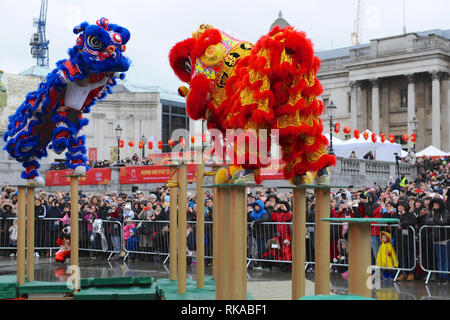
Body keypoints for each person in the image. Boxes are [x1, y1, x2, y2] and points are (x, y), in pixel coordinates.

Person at [425, 197, 450, 284]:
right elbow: (427, 222)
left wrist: (434, 219)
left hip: (445, 238)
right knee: (439, 259)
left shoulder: (445, 212)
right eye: (434, 203)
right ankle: (441, 276)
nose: (435, 205)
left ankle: (445, 277)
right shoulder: (431, 212)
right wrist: (438, 220)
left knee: (445, 258)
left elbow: (444, 223)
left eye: (437, 203)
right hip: (435, 238)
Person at [394, 200, 417, 281]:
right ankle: (403, 273)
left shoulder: (410, 214)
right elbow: (390, 221)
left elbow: (413, 221)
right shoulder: (395, 215)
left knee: (410, 256)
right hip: (399, 240)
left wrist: (402, 224)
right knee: (400, 257)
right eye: (398, 206)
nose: (400, 207)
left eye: (401, 205)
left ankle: (411, 273)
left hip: (409, 240)